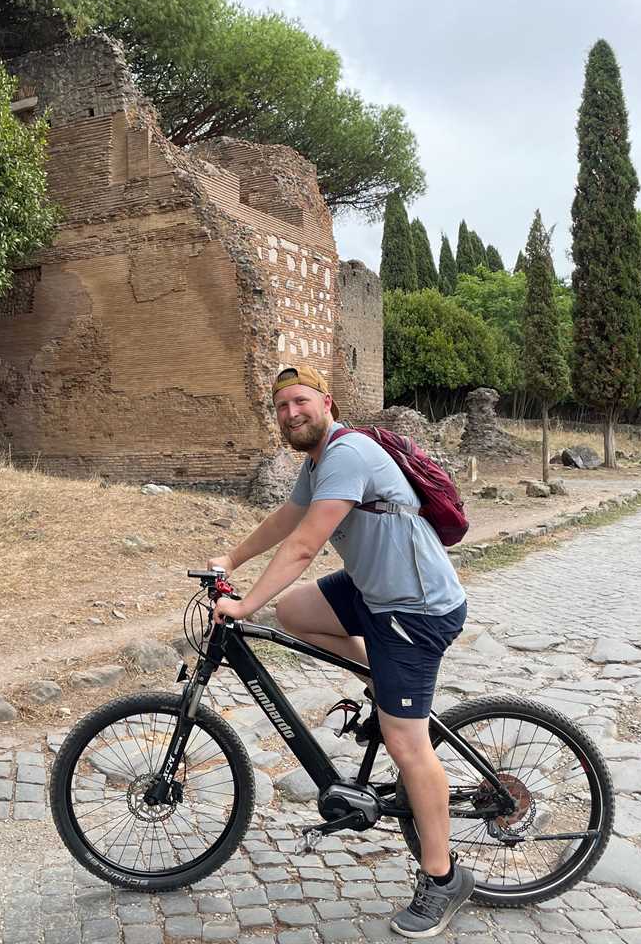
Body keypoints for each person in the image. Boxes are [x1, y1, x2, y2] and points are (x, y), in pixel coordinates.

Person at [208, 365, 473, 938]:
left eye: (300, 401)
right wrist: (231, 560)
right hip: (372, 595)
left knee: (406, 741)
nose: (291, 413)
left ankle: (443, 877)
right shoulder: (319, 459)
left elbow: (305, 545)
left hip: (414, 609)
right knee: (296, 612)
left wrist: (244, 603)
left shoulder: (348, 453)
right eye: (280, 407)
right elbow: (288, 519)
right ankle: (382, 676)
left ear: (326, 402)